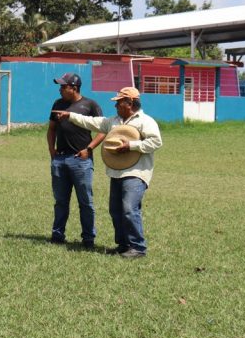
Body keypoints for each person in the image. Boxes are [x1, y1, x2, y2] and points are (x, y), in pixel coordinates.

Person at [54, 86, 162, 259]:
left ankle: (138, 247)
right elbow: (91, 122)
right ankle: (123, 245)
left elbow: (156, 142)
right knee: (116, 210)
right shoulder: (113, 121)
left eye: (119, 102)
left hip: (136, 173)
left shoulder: (145, 121)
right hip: (116, 172)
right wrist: (70, 116)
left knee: (129, 209)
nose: (116, 105)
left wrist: (131, 146)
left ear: (130, 103)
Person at [47, 72, 106, 249]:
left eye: (63, 86)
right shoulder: (57, 104)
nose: (60, 89)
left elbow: (103, 130)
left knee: (85, 202)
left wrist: (89, 149)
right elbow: (51, 129)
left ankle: (88, 239)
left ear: (74, 88)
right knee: (60, 202)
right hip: (60, 159)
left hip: (81, 161)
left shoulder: (90, 105)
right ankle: (57, 236)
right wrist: (52, 151)